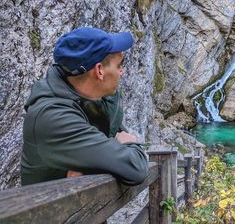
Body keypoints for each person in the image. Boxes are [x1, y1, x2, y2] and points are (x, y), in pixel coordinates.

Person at [21, 27, 148, 186]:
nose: (122, 72)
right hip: (54, 209)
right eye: (119, 65)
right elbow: (135, 167)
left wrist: (93, 164)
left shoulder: (88, 99)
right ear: (99, 71)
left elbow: (114, 145)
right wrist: (127, 144)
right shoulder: (54, 117)